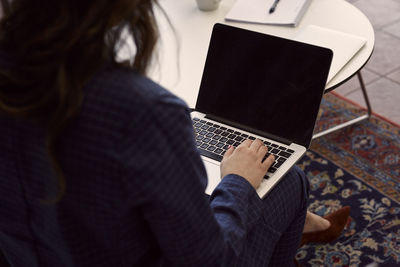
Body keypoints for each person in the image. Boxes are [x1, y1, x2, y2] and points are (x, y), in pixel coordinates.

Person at [0, 1, 349, 266]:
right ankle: (298, 228)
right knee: (289, 180)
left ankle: (301, 225)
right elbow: (210, 259)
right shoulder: (142, 111)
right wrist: (238, 183)